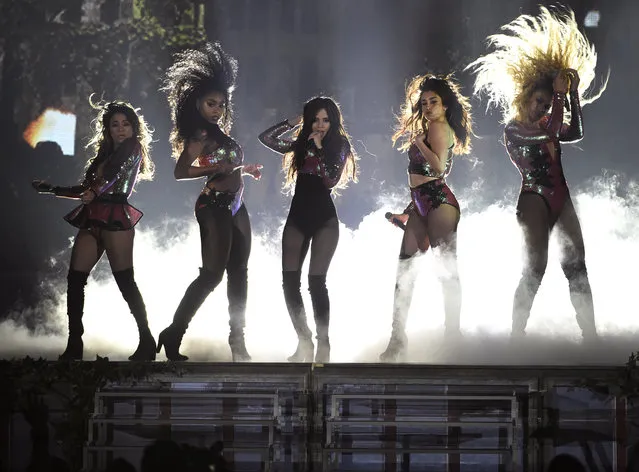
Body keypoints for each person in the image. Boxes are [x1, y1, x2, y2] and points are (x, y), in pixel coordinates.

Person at [467, 6, 607, 340]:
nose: (542, 109)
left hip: (562, 198)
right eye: (539, 102)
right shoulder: (513, 130)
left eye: (546, 105)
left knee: (577, 267)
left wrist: (571, 92)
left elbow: (574, 133)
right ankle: (517, 337)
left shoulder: (549, 122)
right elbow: (555, 133)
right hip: (533, 199)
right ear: (525, 97)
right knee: (536, 269)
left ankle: (591, 338)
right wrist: (559, 94)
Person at [157, 42, 262, 361]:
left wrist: (246, 168)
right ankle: (174, 332)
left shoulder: (221, 133)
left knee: (240, 273)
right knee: (213, 274)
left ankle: (238, 341)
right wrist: (217, 167)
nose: (216, 109)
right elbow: (180, 172)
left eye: (220, 105)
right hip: (213, 206)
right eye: (210, 104)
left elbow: (228, 164)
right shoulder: (198, 136)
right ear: (198, 104)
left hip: (236, 204)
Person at [32, 100, 156, 361]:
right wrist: (52, 189)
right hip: (93, 218)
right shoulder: (103, 155)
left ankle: (146, 339)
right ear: (108, 130)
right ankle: (74, 342)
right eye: (115, 125)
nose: (121, 129)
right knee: (75, 279)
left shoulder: (132, 148)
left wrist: (94, 191)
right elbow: (86, 188)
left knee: (125, 282)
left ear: (134, 129)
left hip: (116, 218)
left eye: (126, 124)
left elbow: (111, 176)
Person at [379, 74, 473, 362]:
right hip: (420, 204)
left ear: (445, 106)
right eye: (424, 102)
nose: (429, 106)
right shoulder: (430, 127)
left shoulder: (440, 129)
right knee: (403, 271)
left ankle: (452, 338)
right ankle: (397, 339)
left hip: (439, 203)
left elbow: (439, 168)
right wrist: (409, 210)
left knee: (447, 271)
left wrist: (419, 144)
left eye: (434, 102)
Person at [258, 97, 357, 363]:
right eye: (316, 119)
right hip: (297, 217)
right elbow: (266, 138)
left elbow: (330, 179)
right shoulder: (300, 144)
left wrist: (320, 147)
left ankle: (323, 343)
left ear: (333, 121)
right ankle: (304, 340)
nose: (321, 125)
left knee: (316, 282)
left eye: (326, 120)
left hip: (325, 218)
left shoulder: (339, 145)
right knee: (289, 282)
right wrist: (293, 122)